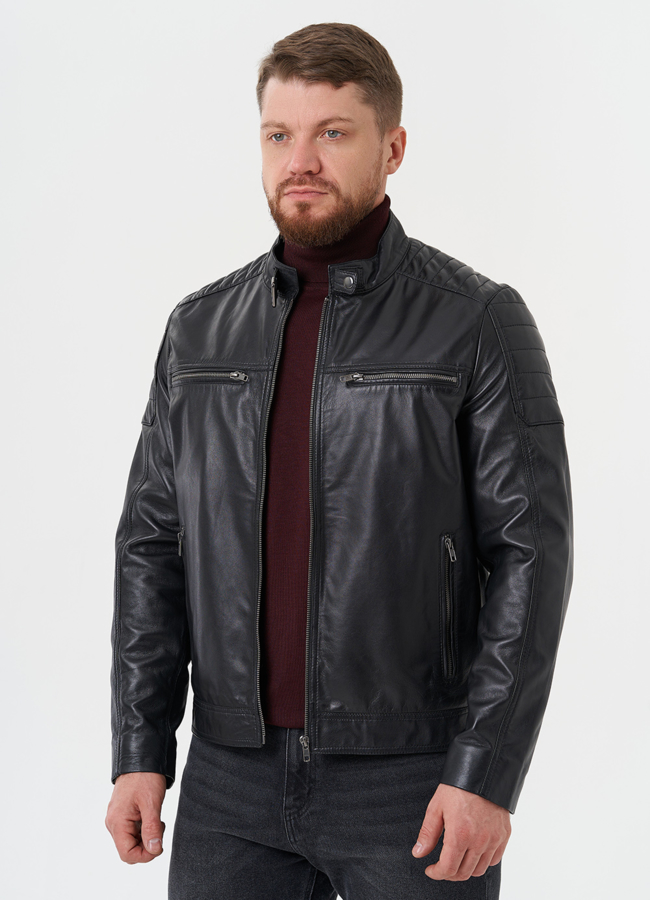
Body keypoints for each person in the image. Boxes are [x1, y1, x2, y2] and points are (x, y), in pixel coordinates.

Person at [105, 22, 573, 900]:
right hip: (229, 778)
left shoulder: (476, 321)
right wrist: (140, 748)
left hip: (413, 778)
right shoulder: (199, 330)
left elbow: (531, 556)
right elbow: (152, 546)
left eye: (332, 132)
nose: (301, 161)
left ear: (392, 149)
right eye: (279, 134)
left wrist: (486, 770)